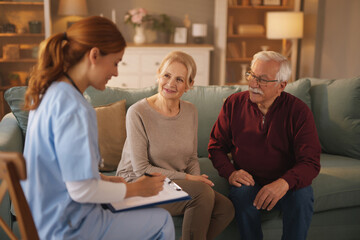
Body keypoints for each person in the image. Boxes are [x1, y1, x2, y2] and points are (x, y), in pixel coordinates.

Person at [21, 16, 174, 240]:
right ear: (94, 55)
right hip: (69, 227)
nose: (116, 73)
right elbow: (82, 190)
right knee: (162, 221)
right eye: (115, 62)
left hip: (44, 221)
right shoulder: (76, 108)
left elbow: (60, 169)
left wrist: (101, 179)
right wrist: (137, 190)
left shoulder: (48, 93)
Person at [116, 51, 234, 240]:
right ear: (158, 74)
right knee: (202, 195)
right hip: (138, 184)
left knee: (225, 209)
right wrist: (191, 180)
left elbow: (192, 157)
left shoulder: (190, 111)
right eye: (167, 75)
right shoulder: (137, 112)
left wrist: (195, 180)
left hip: (173, 184)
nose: (171, 84)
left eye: (179, 79)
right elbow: (142, 169)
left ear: (189, 85)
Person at [208, 51, 321, 240]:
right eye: (251, 75)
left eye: (262, 79)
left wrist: (284, 183)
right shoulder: (233, 104)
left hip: (287, 181)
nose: (253, 83)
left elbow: (310, 162)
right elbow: (216, 146)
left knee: (302, 196)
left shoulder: (299, 111)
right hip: (249, 180)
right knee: (242, 195)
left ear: (281, 86)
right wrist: (231, 173)